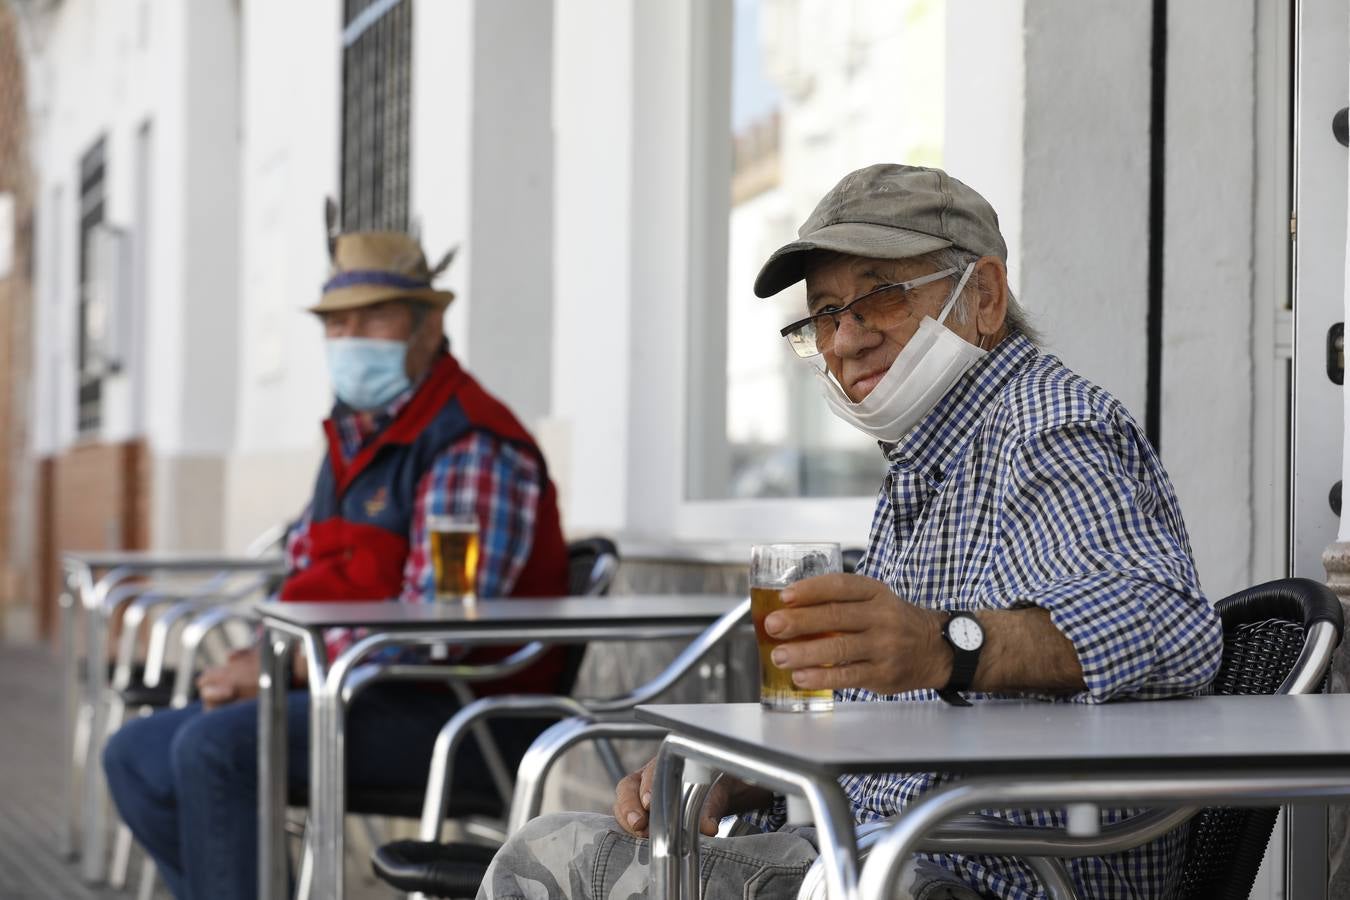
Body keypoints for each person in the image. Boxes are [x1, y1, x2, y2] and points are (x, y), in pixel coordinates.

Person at [478, 164, 1223, 900]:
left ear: (985, 297)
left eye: (880, 296)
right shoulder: (926, 462)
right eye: (825, 314)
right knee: (580, 847)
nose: (844, 341)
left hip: (996, 873)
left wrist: (946, 644)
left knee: (547, 864)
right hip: (892, 853)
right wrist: (748, 778)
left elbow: (1166, 622)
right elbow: (906, 731)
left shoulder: (1047, 425)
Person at [103, 230, 570, 900]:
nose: (351, 337)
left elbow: (438, 626)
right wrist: (260, 663)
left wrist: (283, 669)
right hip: (353, 691)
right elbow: (302, 575)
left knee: (216, 750)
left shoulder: (469, 439)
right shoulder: (353, 435)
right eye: (336, 323)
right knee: (135, 754)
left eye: (373, 317)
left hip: (460, 713)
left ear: (429, 325)